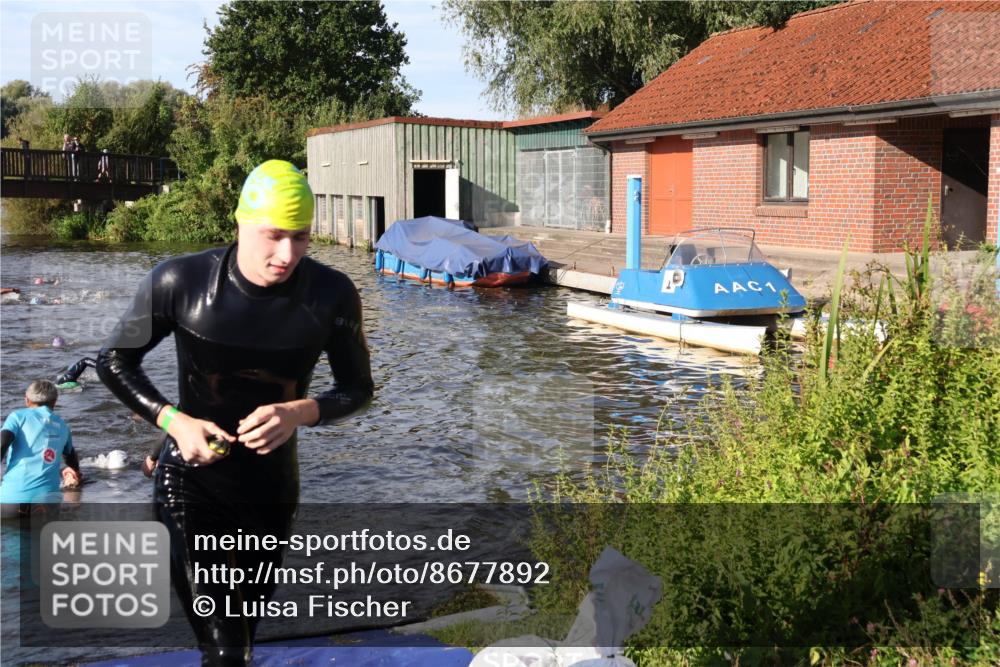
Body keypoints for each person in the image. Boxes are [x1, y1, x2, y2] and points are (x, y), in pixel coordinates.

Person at [97, 159, 374, 666]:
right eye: (273, 235)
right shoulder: (180, 281)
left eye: (302, 237)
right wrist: (174, 421)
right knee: (224, 648)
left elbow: (358, 388)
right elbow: (114, 360)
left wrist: (301, 411)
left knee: (241, 637)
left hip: (271, 490)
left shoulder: (332, 294)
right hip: (191, 482)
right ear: (241, 221)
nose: (286, 254)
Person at [0, 380, 82, 506]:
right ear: (55, 401)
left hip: (12, 500)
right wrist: (75, 472)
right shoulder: (63, 426)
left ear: (27, 400)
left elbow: (2, 443)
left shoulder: (17, 417)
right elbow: (70, 456)